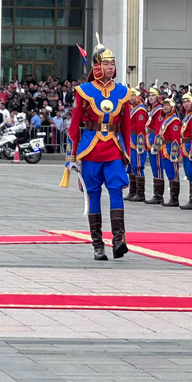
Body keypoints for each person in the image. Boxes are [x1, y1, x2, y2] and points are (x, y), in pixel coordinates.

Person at [61, 35, 131, 261]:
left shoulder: (122, 91)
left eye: (113, 63)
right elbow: (74, 127)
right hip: (90, 149)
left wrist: (127, 153)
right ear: (97, 66)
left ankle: (119, 239)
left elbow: (126, 127)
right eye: (106, 63)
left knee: (116, 189)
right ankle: (98, 245)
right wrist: (71, 156)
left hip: (112, 148)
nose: (111, 67)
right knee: (93, 195)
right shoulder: (83, 91)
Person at [157, 98, 183, 207]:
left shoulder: (175, 120)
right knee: (169, 172)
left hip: (170, 148)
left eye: (168, 105)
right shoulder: (166, 119)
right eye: (164, 105)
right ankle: (172, 197)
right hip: (164, 147)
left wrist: (174, 152)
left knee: (173, 173)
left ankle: (174, 198)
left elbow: (176, 138)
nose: (165, 107)